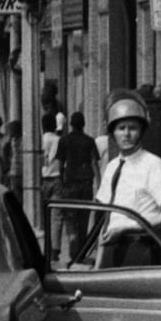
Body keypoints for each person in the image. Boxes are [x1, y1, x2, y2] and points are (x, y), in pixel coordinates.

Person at [95, 94, 161, 267]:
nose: (126, 134)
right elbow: (106, 217)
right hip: (112, 249)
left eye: (133, 128)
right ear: (112, 132)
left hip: (141, 248)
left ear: (142, 130)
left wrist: (130, 227)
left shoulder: (153, 165)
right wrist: (98, 262)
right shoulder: (112, 166)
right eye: (121, 128)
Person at [54, 110, 99, 261]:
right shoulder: (90, 141)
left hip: (70, 184)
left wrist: (60, 181)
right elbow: (94, 163)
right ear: (84, 124)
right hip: (86, 184)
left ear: (71, 125)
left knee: (71, 218)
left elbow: (60, 164)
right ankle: (81, 253)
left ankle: (73, 241)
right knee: (84, 219)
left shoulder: (64, 141)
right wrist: (98, 183)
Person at [40, 113, 62, 251]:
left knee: (44, 217)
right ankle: (55, 248)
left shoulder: (39, 139)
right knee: (56, 216)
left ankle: (46, 246)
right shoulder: (59, 139)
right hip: (56, 177)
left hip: (42, 179)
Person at [1, 120, 24, 203]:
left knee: (17, 200)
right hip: (22, 173)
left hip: (14, 173)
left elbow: (5, 156)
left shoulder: (9, 142)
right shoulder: (24, 141)